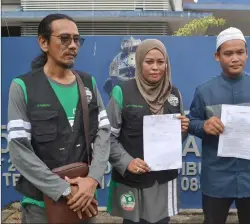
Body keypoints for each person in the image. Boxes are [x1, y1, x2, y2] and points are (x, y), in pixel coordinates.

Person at [8, 13, 111, 223]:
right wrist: (63, 189)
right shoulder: (22, 87)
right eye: (64, 39)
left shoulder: (88, 83)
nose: (73, 45)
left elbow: (103, 136)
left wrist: (92, 179)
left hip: (84, 202)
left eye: (76, 40)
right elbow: (19, 150)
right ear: (43, 42)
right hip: (40, 207)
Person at [187, 27, 250, 224]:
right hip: (216, 178)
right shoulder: (204, 91)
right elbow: (192, 122)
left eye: (240, 52)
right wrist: (203, 126)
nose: (235, 58)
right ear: (217, 56)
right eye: (228, 53)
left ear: (247, 54)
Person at [106, 39, 190, 224]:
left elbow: (177, 139)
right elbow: (107, 137)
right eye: (149, 62)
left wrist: (183, 130)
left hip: (163, 180)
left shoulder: (174, 94)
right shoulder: (122, 92)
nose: (155, 67)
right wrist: (127, 162)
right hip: (133, 179)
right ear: (139, 62)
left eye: (161, 62)